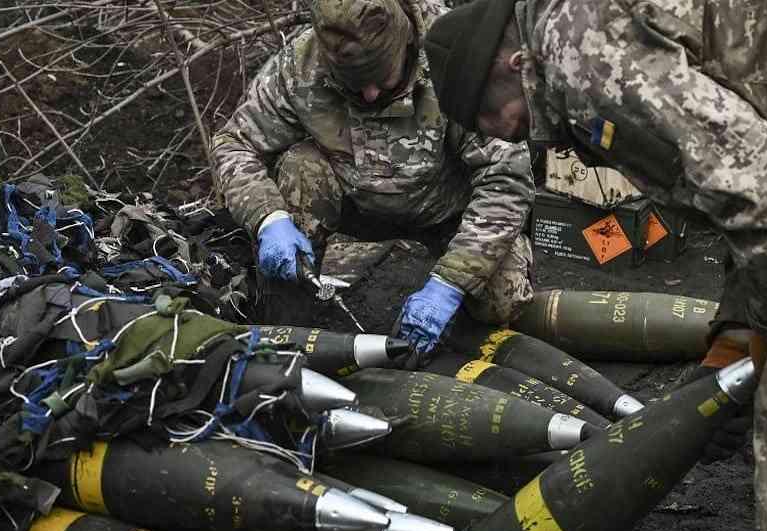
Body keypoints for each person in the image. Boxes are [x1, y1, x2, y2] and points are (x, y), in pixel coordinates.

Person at [423, 0, 767, 531]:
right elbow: (742, 201)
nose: (505, 135)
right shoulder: (578, 32)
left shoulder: (579, 58)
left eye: (488, 117)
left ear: (511, 64)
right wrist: (733, 339)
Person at [212, 0, 536, 357]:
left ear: (407, 44)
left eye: (382, 78)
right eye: (353, 83)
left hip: (447, 211)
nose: (370, 94)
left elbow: (506, 179)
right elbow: (233, 143)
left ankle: (455, 340)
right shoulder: (300, 65)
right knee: (300, 166)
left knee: (502, 299)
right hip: (354, 205)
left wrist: (452, 282)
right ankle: (287, 332)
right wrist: (268, 218)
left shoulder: (456, 55)